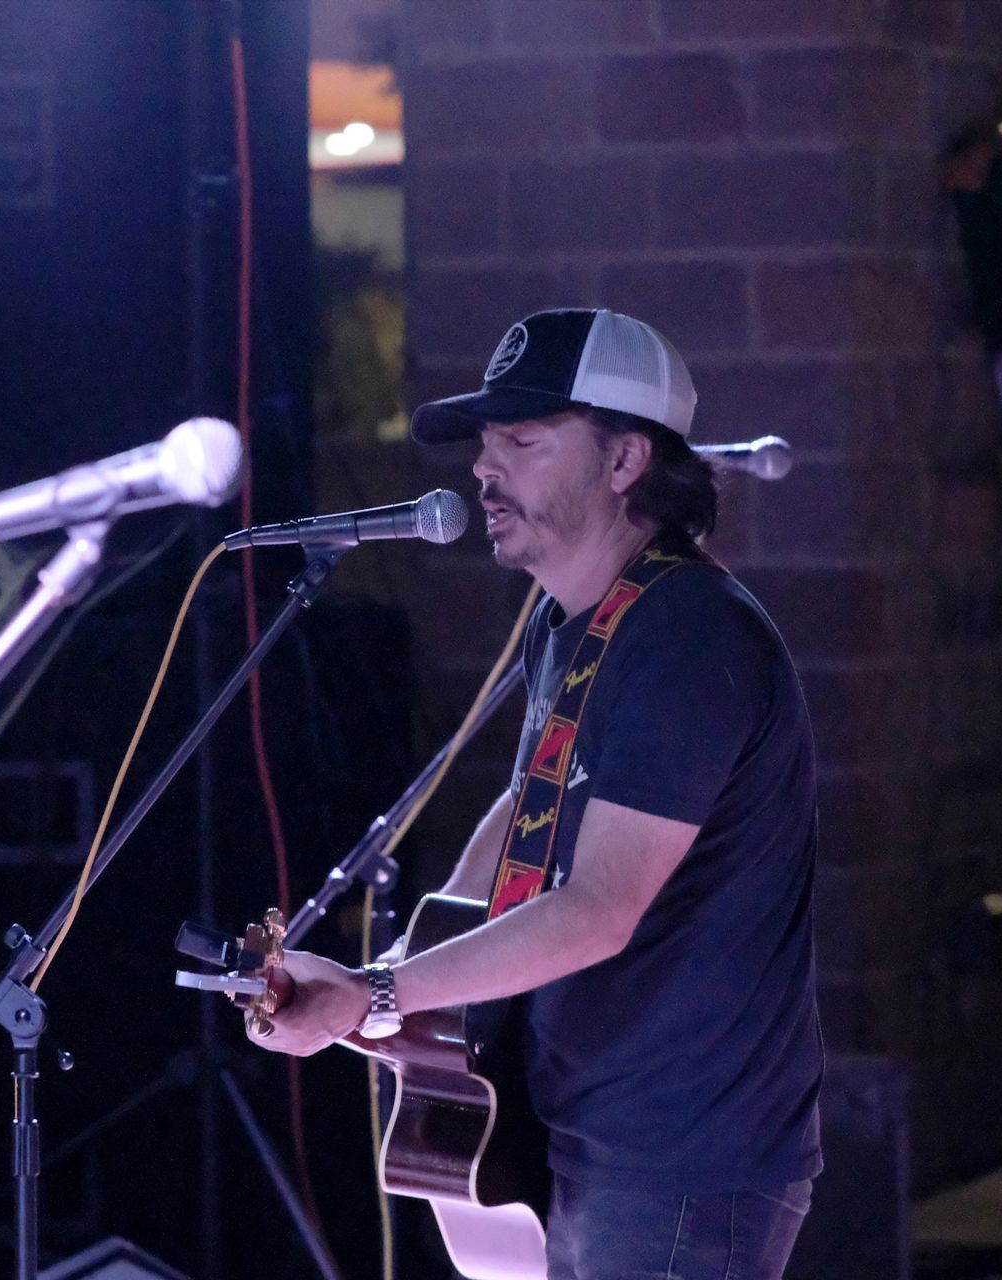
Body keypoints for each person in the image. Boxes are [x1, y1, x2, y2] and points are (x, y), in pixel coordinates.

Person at [244, 309, 825, 1280]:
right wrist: (391, 992)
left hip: (682, 1155)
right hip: (584, 1126)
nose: (484, 468)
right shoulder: (574, 621)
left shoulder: (689, 635)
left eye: (522, 440)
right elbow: (529, 815)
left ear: (625, 459)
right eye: (485, 443)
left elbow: (598, 909)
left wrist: (382, 992)